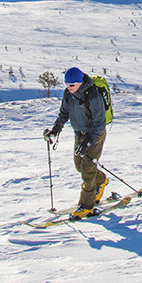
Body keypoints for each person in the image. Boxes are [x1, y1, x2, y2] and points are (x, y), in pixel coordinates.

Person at [43, 67, 109, 220]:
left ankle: (87, 207)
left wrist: (87, 143)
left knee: (87, 167)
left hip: (95, 135)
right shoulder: (68, 94)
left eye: (72, 85)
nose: (69, 87)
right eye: (67, 84)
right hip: (79, 134)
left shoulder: (93, 95)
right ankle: (101, 181)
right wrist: (55, 129)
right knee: (79, 165)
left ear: (80, 83)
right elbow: (63, 114)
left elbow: (100, 124)